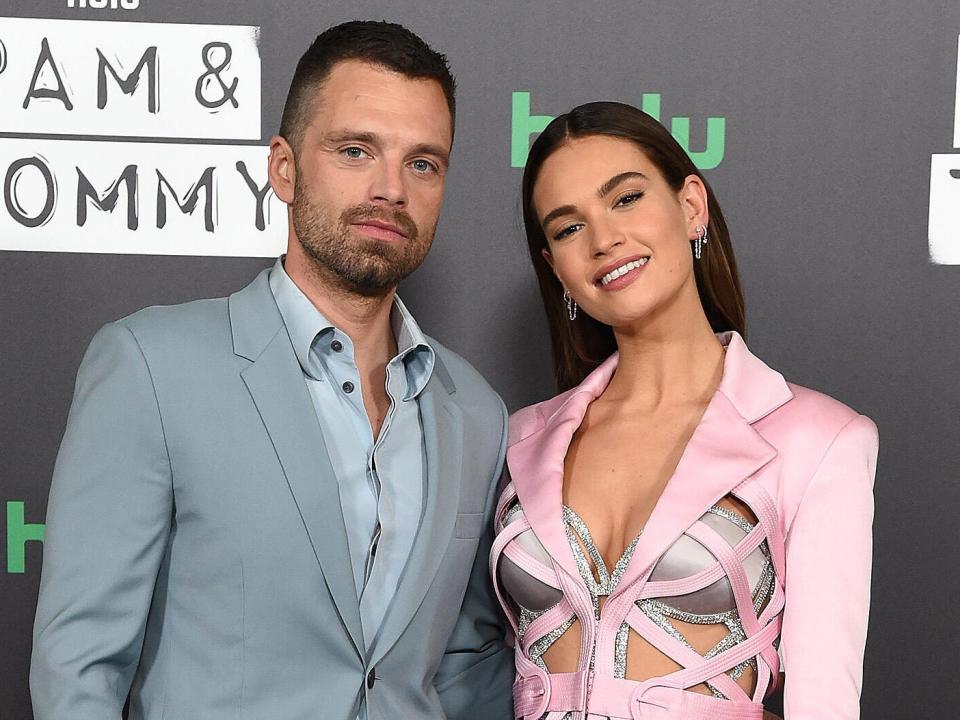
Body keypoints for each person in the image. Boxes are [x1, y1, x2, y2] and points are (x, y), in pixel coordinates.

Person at [31, 21, 513, 720]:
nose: (391, 189)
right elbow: (80, 666)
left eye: (423, 163)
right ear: (283, 167)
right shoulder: (150, 367)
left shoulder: (475, 409)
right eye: (355, 150)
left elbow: (469, 664)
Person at [489, 102, 878, 720]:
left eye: (626, 198)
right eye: (567, 228)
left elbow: (824, 703)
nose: (603, 239)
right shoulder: (518, 438)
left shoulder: (821, 439)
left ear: (691, 205)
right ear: (555, 269)